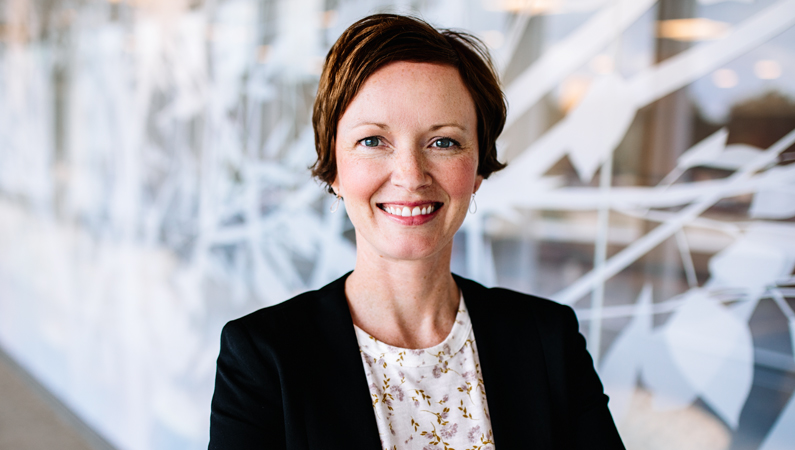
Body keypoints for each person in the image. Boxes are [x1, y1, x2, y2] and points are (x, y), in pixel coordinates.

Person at [209, 13, 624, 450]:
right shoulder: (263, 357)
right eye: (373, 141)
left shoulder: (547, 340)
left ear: (477, 169)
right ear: (334, 168)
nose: (410, 175)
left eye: (443, 142)